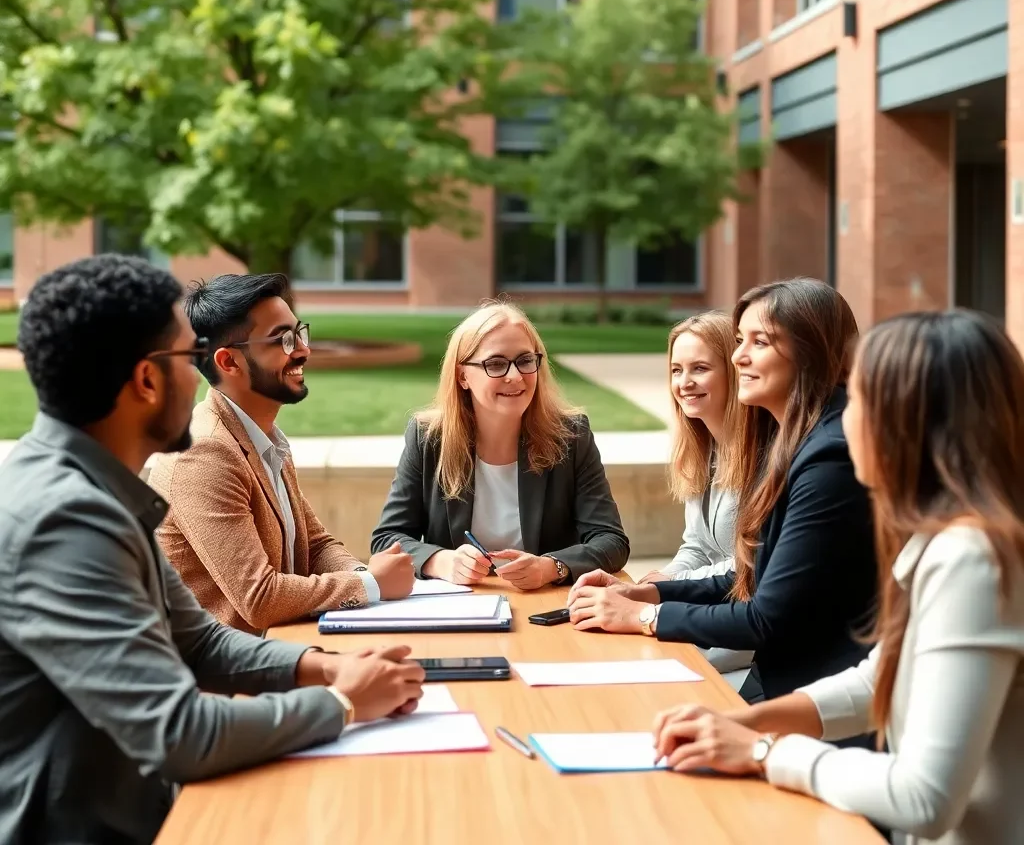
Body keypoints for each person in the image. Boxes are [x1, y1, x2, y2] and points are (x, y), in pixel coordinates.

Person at [0, 255, 424, 845]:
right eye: (187, 358)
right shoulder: (64, 520)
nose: (202, 376)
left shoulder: (92, 489)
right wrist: (341, 704)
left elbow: (198, 638)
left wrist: (330, 667)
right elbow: (179, 732)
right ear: (148, 380)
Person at [650, 310, 1024, 845]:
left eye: (858, 398)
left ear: (908, 422)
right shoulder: (942, 538)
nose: (843, 418)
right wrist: (747, 723)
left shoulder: (973, 558)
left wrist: (765, 752)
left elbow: (925, 799)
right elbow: (879, 678)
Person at [567, 278, 878, 704]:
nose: (739, 357)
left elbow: (765, 616)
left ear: (811, 352)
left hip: (820, 699)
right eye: (738, 341)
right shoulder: (801, 442)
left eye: (759, 342)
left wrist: (645, 615)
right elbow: (750, 575)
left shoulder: (828, 458)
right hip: (785, 679)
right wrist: (650, 591)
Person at [150, 274, 414, 634]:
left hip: (278, 650)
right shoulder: (205, 454)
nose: (302, 349)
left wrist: (363, 574)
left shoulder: (262, 436)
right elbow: (259, 598)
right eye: (282, 340)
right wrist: (370, 586)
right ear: (229, 362)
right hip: (222, 679)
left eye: (299, 333)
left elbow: (316, 546)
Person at [371, 301, 630, 589]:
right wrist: (441, 561)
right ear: (462, 376)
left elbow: (611, 540)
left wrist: (551, 567)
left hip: (546, 604)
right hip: (460, 606)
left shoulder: (572, 436)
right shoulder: (428, 438)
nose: (515, 376)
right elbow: (387, 540)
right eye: (495, 364)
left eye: (525, 360)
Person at [636, 311, 752, 688]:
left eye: (700, 368)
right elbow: (699, 546)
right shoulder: (705, 450)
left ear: (732, 372)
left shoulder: (764, 460)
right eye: (676, 370)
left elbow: (747, 567)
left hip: (748, 635)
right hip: (715, 614)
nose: (684, 383)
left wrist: (665, 589)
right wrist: (665, 576)